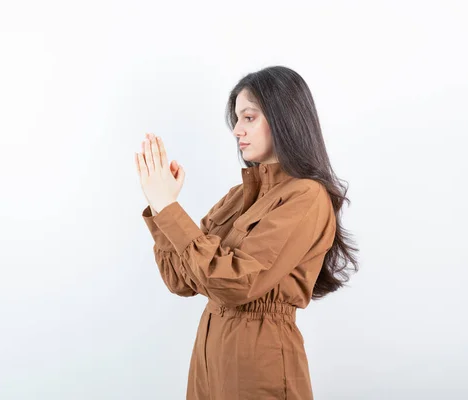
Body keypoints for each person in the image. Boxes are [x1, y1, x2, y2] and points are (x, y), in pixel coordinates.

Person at [134, 65, 359, 400]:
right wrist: (160, 205)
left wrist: (169, 209)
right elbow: (181, 280)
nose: (237, 129)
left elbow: (235, 283)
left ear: (285, 118)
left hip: (258, 368)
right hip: (208, 365)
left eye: (249, 117)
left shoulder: (306, 197)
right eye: (237, 119)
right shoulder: (240, 196)